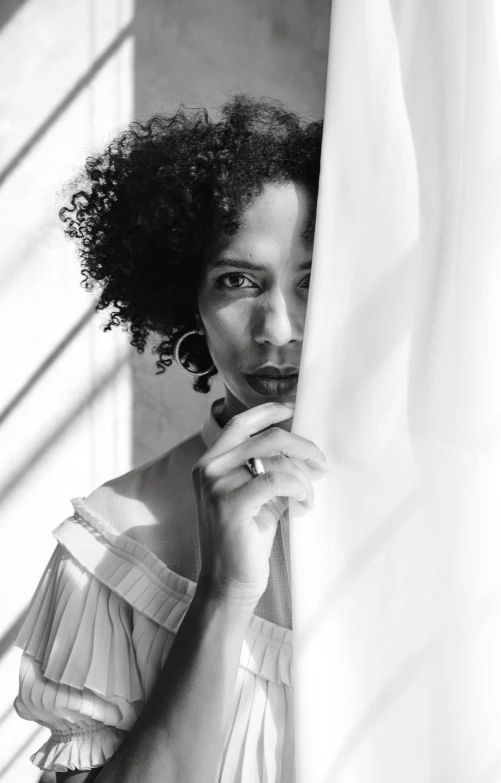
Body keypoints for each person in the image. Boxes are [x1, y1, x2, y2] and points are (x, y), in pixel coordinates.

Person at [13, 95, 328, 783]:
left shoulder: (470, 499)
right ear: (191, 300)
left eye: (316, 281)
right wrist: (222, 591)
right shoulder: (109, 545)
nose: (278, 328)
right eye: (239, 280)